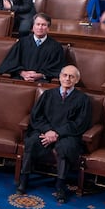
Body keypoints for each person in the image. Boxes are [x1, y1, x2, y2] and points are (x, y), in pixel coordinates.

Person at [19, 65, 92, 202]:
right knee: (31, 142)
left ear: (77, 80)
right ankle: (24, 179)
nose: (67, 79)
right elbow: (36, 117)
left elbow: (80, 123)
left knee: (65, 148)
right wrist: (48, 131)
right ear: (59, 77)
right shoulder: (48, 95)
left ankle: (60, 185)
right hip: (45, 132)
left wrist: (57, 133)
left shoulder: (82, 99)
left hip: (67, 135)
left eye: (71, 76)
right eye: (64, 75)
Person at [0, 14, 65, 82]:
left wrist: (40, 75)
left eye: (43, 25)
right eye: (37, 24)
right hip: (21, 79)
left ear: (48, 28)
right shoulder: (22, 43)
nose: (40, 27)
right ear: (33, 27)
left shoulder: (55, 47)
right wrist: (22, 73)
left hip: (42, 81)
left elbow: (57, 69)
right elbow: (9, 63)